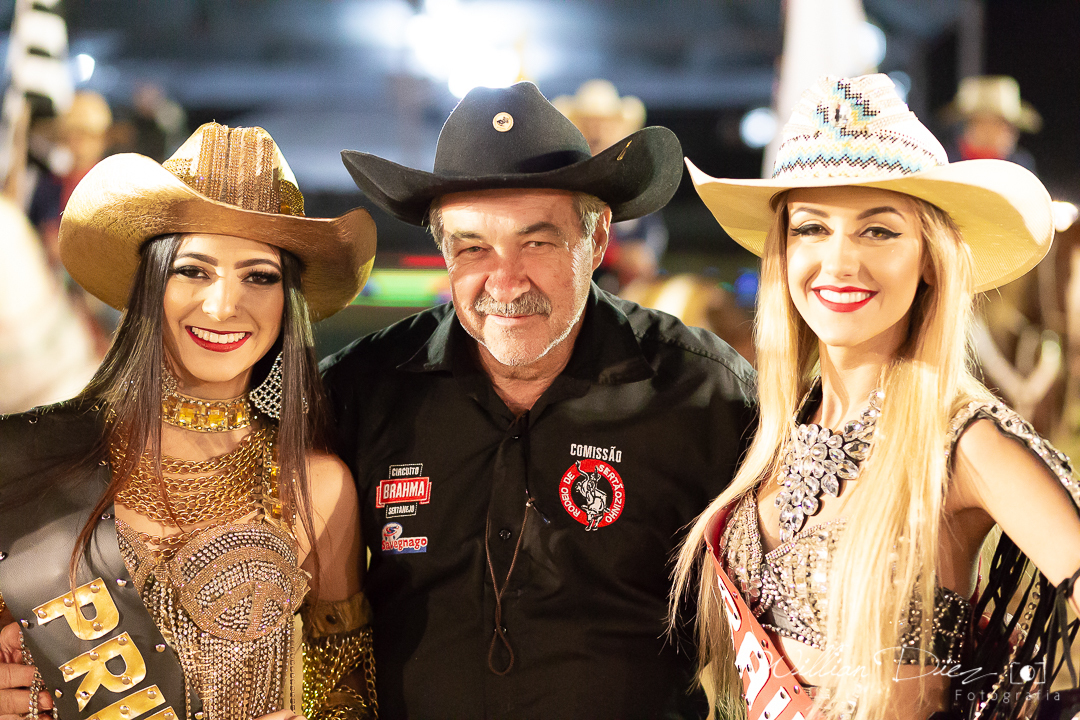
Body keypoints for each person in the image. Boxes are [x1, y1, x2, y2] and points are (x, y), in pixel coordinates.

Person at [329, 81, 756, 718]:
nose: (505, 281)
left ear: (598, 236)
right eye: (473, 247)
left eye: (537, 242)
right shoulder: (359, 390)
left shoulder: (708, 395)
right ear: (443, 251)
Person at [672, 73, 1080, 719]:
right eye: (812, 228)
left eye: (879, 231)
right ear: (783, 251)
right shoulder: (774, 433)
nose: (839, 262)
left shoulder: (963, 441)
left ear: (930, 259)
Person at [0, 122, 379, 720]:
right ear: (151, 283)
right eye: (193, 270)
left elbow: (348, 689)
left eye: (260, 276)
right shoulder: (29, 458)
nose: (223, 305)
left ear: (288, 303)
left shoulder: (317, 486)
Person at [552, 79, 669, 292]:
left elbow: (652, 234)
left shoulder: (632, 183)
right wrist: (617, 256)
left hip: (626, 287)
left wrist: (644, 256)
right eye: (589, 123)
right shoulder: (563, 181)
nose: (597, 132)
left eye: (606, 124)